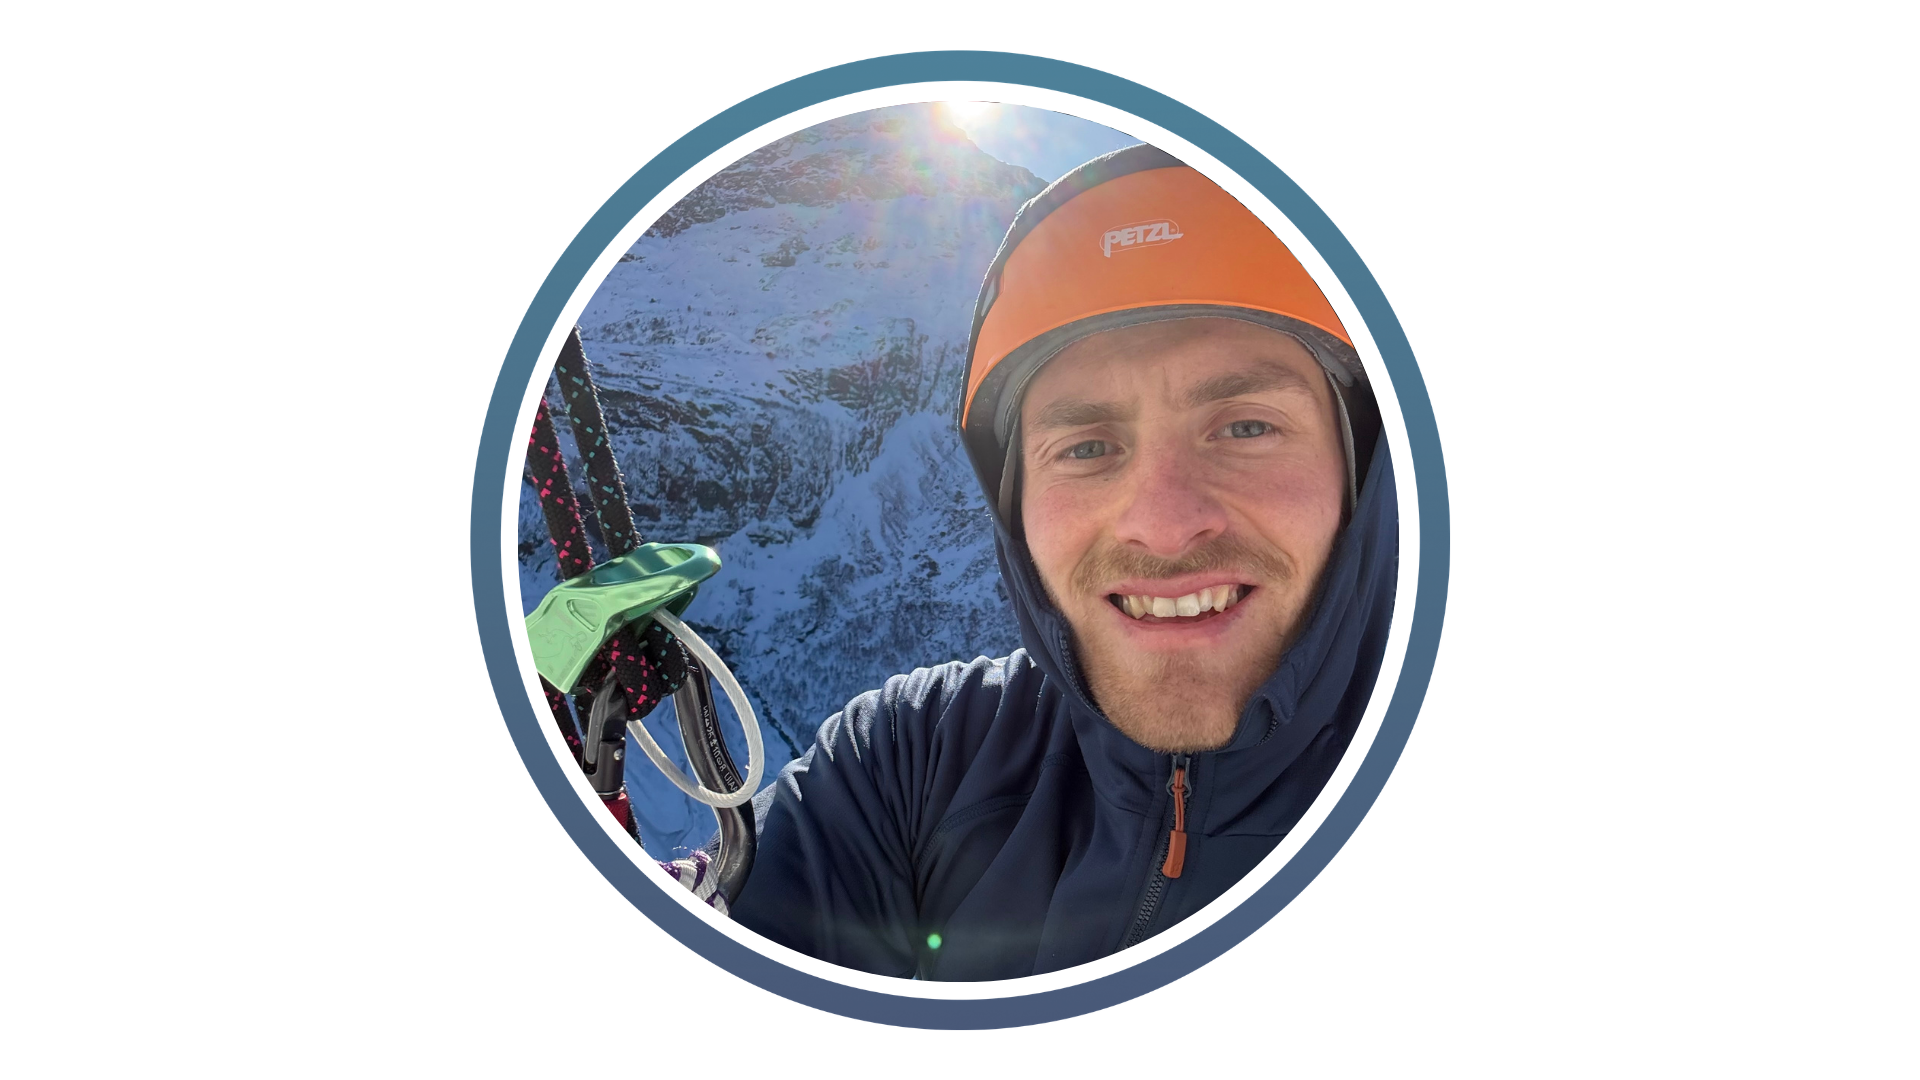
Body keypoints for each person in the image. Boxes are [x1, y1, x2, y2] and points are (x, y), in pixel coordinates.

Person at [720, 144, 1397, 980]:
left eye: (1246, 426)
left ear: (1362, 469)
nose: (1162, 523)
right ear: (1015, 504)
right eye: (1086, 446)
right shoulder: (908, 763)